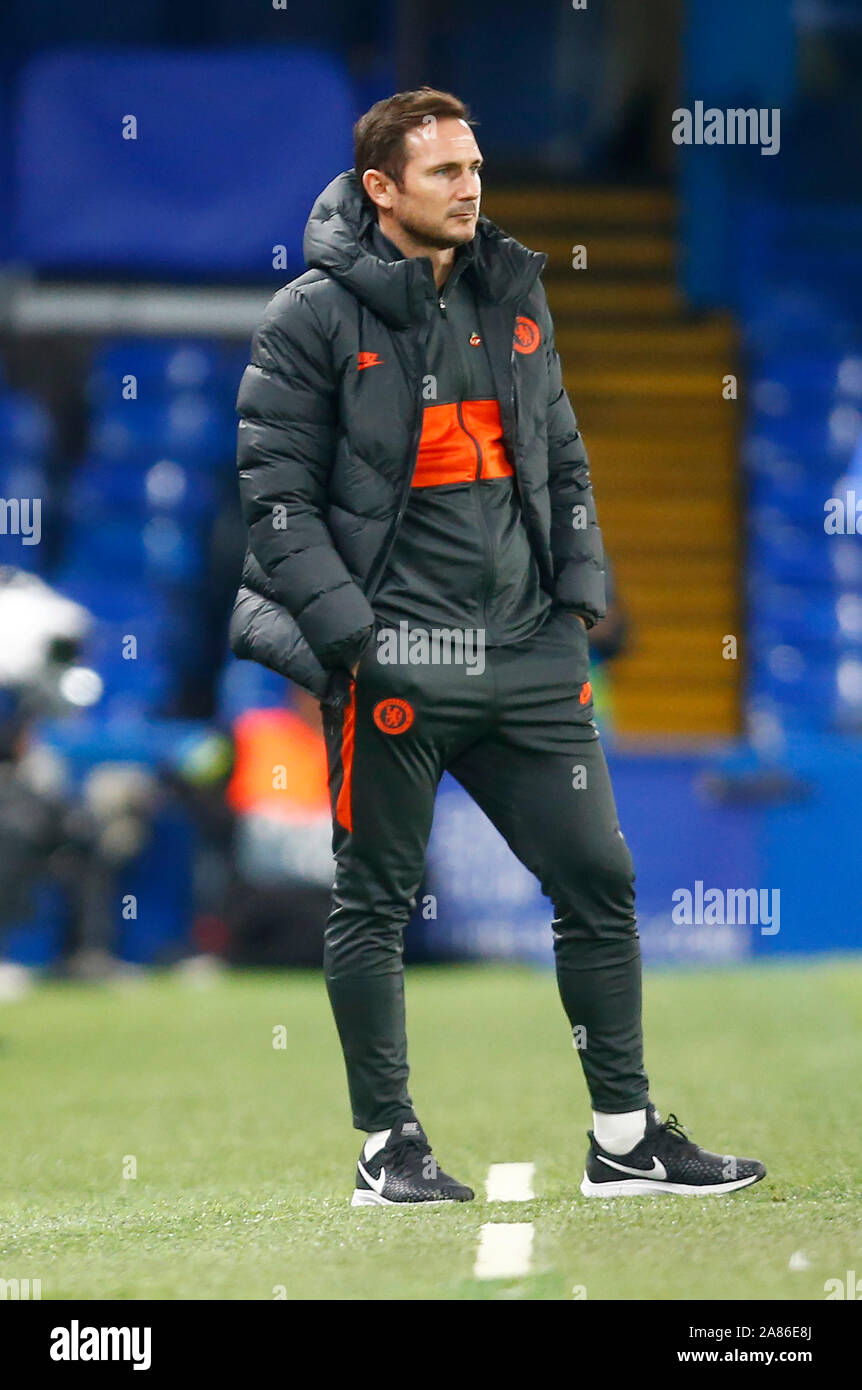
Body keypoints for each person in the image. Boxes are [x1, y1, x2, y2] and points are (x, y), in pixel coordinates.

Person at [230, 88, 766, 1205]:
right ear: (380, 188)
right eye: (443, 171)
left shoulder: (515, 291)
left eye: (475, 166)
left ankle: (623, 1138)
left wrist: (578, 600)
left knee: (599, 879)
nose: (470, 186)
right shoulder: (309, 317)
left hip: (527, 654)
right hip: (395, 663)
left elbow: (560, 457)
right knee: (372, 898)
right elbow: (276, 503)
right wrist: (355, 641)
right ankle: (390, 1147)